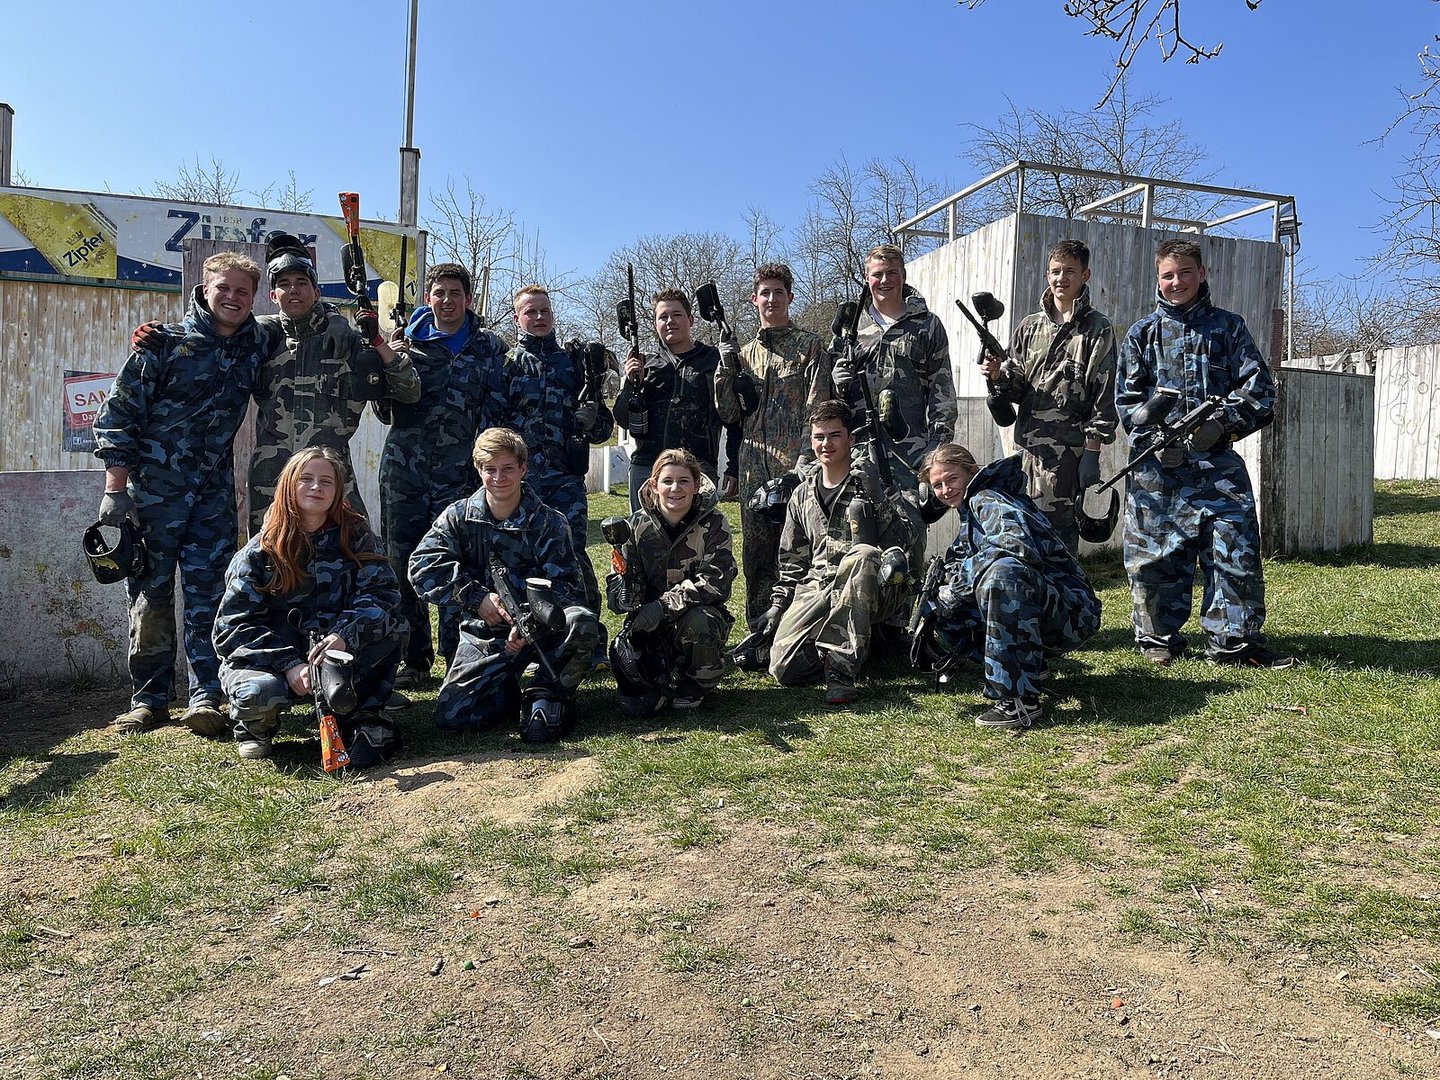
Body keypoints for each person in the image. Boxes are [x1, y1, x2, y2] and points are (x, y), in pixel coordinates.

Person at [93, 252, 272, 736]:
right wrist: (115, 489)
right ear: (204, 289)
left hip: (212, 496)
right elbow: (117, 416)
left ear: (253, 297)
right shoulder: (163, 343)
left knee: (210, 595)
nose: (232, 297)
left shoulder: (258, 342)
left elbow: (298, 323)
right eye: (223, 288)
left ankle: (206, 694)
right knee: (149, 595)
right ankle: (149, 700)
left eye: (242, 291)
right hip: (153, 496)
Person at [1117, 238, 1294, 669]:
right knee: (1155, 556)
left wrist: (1223, 423)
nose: (1177, 282)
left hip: (1217, 465)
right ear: (1158, 278)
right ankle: (1158, 639)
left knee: (1235, 551)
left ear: (1202, 273)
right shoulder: (1142, 334)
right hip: (1158, 467)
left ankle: (1235, 642)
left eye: (1185, 272)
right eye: (1168, 275)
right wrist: (1155, 437)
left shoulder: (1228, 327)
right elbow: (1127, 402)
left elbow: (1259, 390)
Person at [213, 447, 403, 764]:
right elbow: (232, 627)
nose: (316, 487)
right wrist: (289, 664)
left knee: (390, 628)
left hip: (336, 655)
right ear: (289, 485)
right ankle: (255, 727)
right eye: (306, 479)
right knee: (259, 694)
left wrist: (344, 636)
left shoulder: (356, 537)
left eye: (326, 481)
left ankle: (363, 714)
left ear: (337, 491)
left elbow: (383, 594)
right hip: (275, 662)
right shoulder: (260, 551)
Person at [408, 428, 599, 742]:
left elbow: (568, 587)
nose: (499, 477)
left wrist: (532, 619)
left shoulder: (550, 522)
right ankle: (506, 690)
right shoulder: (458, 517)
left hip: (543, 627)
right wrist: (476, 597)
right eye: (490, 469)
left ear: (523, 468)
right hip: (486, 631)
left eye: (508, 468)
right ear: (478, 470)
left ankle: (545, 694)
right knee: (454, 715)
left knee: (581, 622)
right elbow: (421, 566)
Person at [378, 263, 509, 690]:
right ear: (427, 298)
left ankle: (458, 654)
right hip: (404, 471)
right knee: (401, 561)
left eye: (456, 293)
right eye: (439, 293)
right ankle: (413, 657)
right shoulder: (407, 343)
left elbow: (495, 412)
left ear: (468, 299)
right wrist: (389, 361)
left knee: (460, 560)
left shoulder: (489, 347)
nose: (447, 301)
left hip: (461, 474)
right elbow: (383, 410)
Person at [912, 444, 1101, 731]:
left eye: (952, 479)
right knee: (940, 601)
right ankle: (1031, 666)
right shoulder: (971, 510)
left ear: (972, 472)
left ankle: (1019, 699)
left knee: (1002, 575)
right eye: (937, 485)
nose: (945, 490)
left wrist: (959, 584)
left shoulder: (988, 499)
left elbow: (1016, 548)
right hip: (1050, 607)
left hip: (1073, 614)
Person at [483, 285, 614, 665]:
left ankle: (589, 642)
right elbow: (490, 428)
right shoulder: (505, 366)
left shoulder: (574, 364)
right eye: (530, 312)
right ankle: (525, 642)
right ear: (517, 318)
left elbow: (603, 428)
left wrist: (592, 420)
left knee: (573, 556)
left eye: (544, 311)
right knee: (517, 559)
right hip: (519, 483)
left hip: (564, 481)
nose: (539, 318)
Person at [764, 401, 917, 705]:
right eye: (819, 437)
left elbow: (906, 540)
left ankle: (840, 672)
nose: (826, 444)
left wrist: (878, 496)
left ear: (851, 439)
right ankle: (849, 646)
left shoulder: (872, 480)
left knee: (862, 555)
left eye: (834, 435)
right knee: (784, 669)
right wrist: (778, 605)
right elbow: (793, 561)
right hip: (821, 585)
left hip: (875, 584)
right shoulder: (802, 494)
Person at [714, 262, 834, 636]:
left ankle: (800, 634)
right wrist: (725, 368)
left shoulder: (810, 347)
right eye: (764, 293)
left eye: (778, 292)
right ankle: (759, 633)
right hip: (754, 470)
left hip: (795, 470)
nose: (771, 299)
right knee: (757, 558)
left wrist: (803, 468)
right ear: (754, 299)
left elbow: (818, 411)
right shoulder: (744, 355)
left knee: (799, 555)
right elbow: (729, 414)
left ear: (790, 297)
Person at [982, 238, 1117, 554]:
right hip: (1027, 452)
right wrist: (998, 374)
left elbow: (1103, 394)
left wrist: (1092, 453)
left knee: (1059, 545)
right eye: (1055, 271)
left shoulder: (1097, 328)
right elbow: (1018, 385)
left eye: (1070, 271)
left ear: (1085, 275)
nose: (1061, 278)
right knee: (1024, 536)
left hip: (1068, 457)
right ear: (1047, 275)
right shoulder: (1029, 326)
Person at [606, 449, 737, 715]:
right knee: (640, 701)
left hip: (694, 618)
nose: (675, 489)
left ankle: (696, 683)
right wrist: (623, 593)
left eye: (684, 481)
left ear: (696, 485)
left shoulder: (715, 524)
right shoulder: (636, 525)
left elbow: (716, 582)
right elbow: (621, 580)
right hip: (649, 622)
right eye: (667, 481)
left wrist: (662, 607)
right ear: (654, 485)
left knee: (701, 620)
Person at [832, 243, 956, 490]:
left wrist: (936, 447)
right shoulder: (850, 327)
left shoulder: (926, 324)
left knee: (908, 514)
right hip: (856, 453)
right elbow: (828, 399)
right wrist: (835, 381)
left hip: (911, 454)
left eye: (892, 273)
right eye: (877, 274)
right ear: (867, 278)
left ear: (903, 275)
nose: (884, 280)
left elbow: (941, 389)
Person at [614, 289, 729, 512]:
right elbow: (624, 420)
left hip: (697, 470)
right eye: (663, 317)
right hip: (647, 467)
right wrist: (630, 383)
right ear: (655, 324)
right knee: (645, 531)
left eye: (676, 315)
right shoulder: (644, 364)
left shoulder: (713, 360)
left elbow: (731, 418)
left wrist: (732, 465)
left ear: (690, 319)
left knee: (698, 533)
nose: (670, 321)